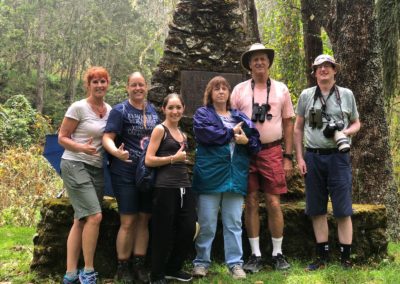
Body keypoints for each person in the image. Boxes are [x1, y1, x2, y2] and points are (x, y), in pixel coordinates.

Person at [230, 43, 295, 272]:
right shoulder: (238, 90)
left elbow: (288, 122)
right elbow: (231, 122)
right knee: (250, 203)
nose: (259, 62)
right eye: (254, 59)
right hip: (245, 153)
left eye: (263, 59)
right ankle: (255, 254)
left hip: (272, 151)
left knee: (274, 202)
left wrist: (288, 156)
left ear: (269, 62)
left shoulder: (281, 89)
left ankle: (277, 253)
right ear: (249, 64)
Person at [294, 54, 360, 270]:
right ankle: (321, 257)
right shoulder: (306, 95)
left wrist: (345, 132)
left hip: (338, 157)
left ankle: (345, 258)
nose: (323, 70)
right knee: (316, 208)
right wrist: (300, 157)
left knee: (343, 208)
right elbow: (298, 127)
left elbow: (357, 123)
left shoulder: (346, 95)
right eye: (319, 67)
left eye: (327, 67)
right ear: (314, 72)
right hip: (313, 157)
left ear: (334, 70)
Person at [191, 76, 261, 279]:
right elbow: (206, 135)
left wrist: (246, 140)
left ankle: (235, 264)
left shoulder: (240, 116)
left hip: (235, 176)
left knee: (233, 222)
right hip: (210, 176)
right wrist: (231, 133)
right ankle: (201, 262)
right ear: (210, 93)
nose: (221, 91)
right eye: (216, 88)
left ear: (229, 93)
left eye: (224, 88)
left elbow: (255, 142)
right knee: (207, 222)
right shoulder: (202, 114)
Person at [102, 72, 159, 283]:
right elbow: (107, 137)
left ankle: (139, 264)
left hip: (147, 173)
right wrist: (116, 152)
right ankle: (123, 266)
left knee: (144, 219)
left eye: (141, 85)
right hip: (125, 171)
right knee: (128, 221)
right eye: (133, 85)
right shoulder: (120, 110)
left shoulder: (153, 111)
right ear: (127, 87)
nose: (138, 88)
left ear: (146, 87)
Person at [59, 66, 112, 284]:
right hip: (74, 163)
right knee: (95, 216)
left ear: (108, 84)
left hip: (96, 168)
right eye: (95, 82)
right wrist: (81, 148)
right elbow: (62, 136)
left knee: (80, 218)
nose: (99, 85)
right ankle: (87, 271)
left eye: (103, 81)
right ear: (88, 85)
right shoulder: (78, 107)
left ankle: (70, 273)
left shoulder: (109, 109)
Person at [145, 93, 197, 284]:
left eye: (178, 107)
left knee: (188, 228)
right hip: (164, 188)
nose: (175, 111)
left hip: (184, 187)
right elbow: (148, 160)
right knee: (162, 232)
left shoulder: (183, 134)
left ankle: (173, 269)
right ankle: (157, 275)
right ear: (164, 109)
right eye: (171, 107)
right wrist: (172, 159)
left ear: (183, 109)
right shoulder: (160, 130)